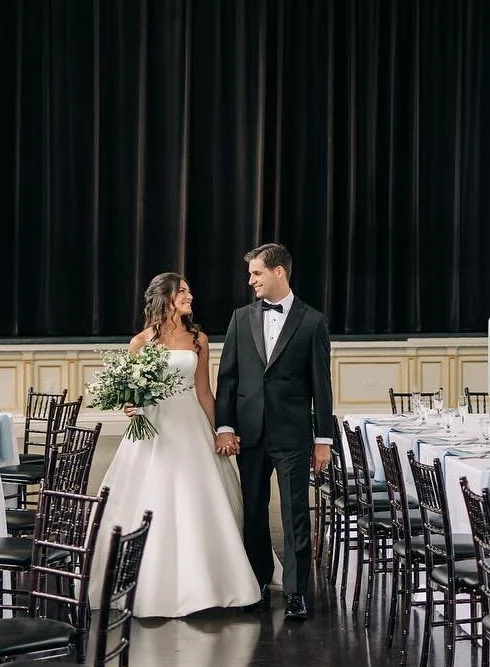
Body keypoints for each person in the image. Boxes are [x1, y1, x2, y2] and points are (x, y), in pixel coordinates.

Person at [87, 273, 261, 618]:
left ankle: (213, 584)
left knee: (200, 498)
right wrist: (129, 404)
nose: (190, 296)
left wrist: (221, 431)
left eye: (189, 290)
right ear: (164, 297)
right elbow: (132, 395)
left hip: (191, 426)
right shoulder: (140, 343)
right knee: (153, 498)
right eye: (183, 291)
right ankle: (151, 585)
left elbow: (204, 392)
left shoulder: (198, 339)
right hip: (154, 430)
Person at [215, 243, 334, 620]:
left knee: (296, 511)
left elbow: (322, 385)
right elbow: (228, 377)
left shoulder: (312, 321)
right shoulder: (240, 318)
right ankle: (258, 581)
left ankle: (298, 592)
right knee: (253, 511)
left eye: (257, 274)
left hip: (294, 435)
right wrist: (225, 426)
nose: (250, 281)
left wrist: (323, 440)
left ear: (279, 272)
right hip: (249, 434)